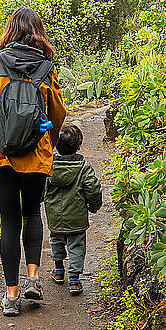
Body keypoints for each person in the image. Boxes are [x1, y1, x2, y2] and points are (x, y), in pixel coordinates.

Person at [0, 7, 66, 316]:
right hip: (34, 154)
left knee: (9, 222)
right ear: (38, 32)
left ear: (9, 32)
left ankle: (11, 297)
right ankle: (34, 278)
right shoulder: (47, 68)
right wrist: (47, 138)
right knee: (32, 214)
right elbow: (58, 113)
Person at [43, 123, 102, 295]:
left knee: (56, 241)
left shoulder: (49, 166)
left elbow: (41, 188)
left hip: (54, 216)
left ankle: (59, 270)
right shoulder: (83, 168)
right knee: (76, 246)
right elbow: (93, 187)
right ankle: (74, 280)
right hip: (77, 217)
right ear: (79, 146)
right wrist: (94, 206)